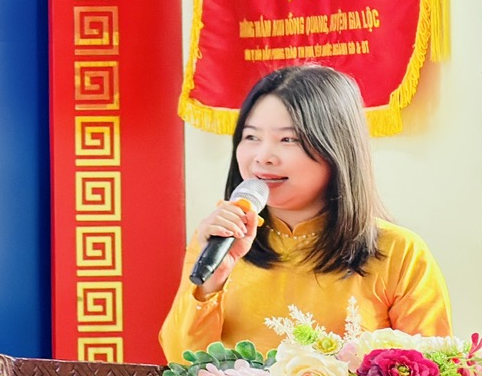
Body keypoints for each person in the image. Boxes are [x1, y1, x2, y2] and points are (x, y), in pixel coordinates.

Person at [162, 62, 451, 357]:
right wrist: (211, 284)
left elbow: (430, 373)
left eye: (289, 139)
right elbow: (179, 361)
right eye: (251, 137)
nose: (263, 157)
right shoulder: (219, 240)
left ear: (336, 147)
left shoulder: (401, 252)